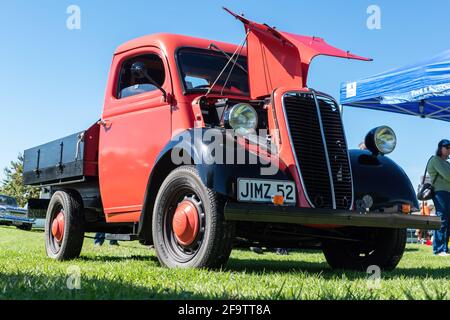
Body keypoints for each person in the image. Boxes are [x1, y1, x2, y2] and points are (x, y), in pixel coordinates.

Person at [427, 139, 450, 256]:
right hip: (440, 192)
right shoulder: (435, 160)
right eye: (447, 147)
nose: (449, 149)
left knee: (447, 220)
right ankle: (439, 249)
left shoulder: (446, 163)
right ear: (440, 148)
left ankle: (445, 248)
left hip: (447, 192)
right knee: (442, 219)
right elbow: (448, 176)